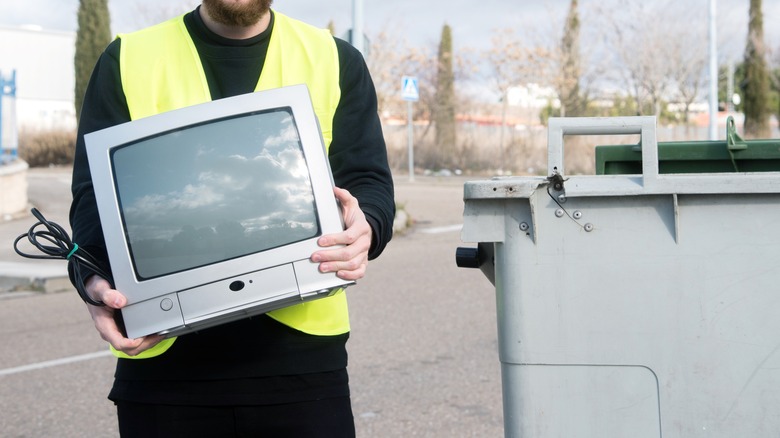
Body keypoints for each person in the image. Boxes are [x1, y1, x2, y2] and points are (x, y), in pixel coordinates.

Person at [69, 0, 395, 436]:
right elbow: (91, 199)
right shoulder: (126, 58)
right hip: (164, 370)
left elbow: (369, 181)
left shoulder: (335, 59)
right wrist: (92, 281)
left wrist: (366, 225)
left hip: (302, 370)